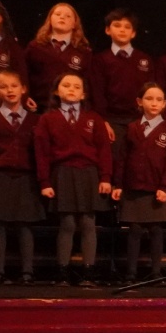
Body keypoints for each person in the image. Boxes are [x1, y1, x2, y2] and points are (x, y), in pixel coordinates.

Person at [34, 71, 113, 286]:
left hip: (88, 173)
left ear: (84, 93)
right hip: (62, 173)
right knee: (67, 223)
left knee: (88, 223)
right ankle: (62, 271)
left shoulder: (93, 118)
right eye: (66, 85)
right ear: (56, 91)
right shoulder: (48, 119)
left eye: (76, 86)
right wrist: (45, 182)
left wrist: (105, 177)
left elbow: (104, 150)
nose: (71, 89)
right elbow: (42, 153)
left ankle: (88, 271)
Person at [0, 69, 42, 284]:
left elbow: (41, 152)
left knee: (25, 225)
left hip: (26, 177)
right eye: (3, 87)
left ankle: (27, 271)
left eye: (13, 85)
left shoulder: (35, 119)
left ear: (23, 89)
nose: (9, 90)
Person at [114, 84, 166, 283]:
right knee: (134, 230)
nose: (154, 103)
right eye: (149, 98)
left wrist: (165, 187)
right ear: (140, 102)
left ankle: (156, 272)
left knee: (156, 230)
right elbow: (122, 158)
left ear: (165, 104)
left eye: (159, 99)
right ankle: (131, 273)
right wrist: (118, 184)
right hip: (133, 188)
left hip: (156, 189)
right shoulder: (132, 128)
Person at [89, 9, 153, 128]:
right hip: (111, 120)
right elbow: (97, 94)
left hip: (140, 120)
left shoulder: (145, 59)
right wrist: (103, 120)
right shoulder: (100, 59)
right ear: (108, 30)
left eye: (127, 27)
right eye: (117, 25)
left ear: (133, 33)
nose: (122, 30)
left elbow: (150, 91)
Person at [26, 4, 92, 112]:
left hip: (70, 109)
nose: (62, 17)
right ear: (50, 19)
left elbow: (88, 82)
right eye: (58, 14)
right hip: (37, 107)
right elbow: (24, 74)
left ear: (74, 24)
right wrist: (25, 96)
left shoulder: (83, 51)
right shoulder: (35, 47)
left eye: (68, 16)